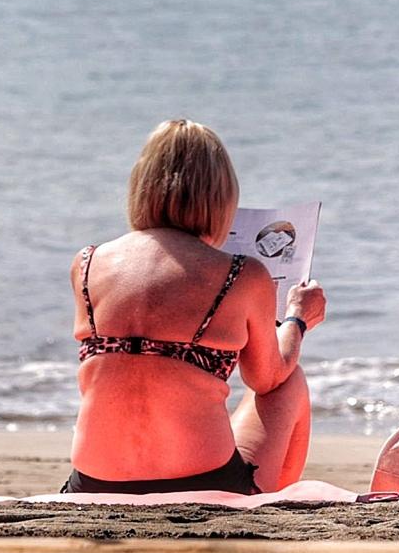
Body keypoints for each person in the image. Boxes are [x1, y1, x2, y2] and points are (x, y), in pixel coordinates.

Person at [67, 119, 325, 495]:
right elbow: (267, 378)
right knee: (289, 383)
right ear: (222, 199)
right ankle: (269, 508)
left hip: (93, 482)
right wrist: (297, 319)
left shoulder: (87, 263)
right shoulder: (242, 273)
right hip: (204, 481)